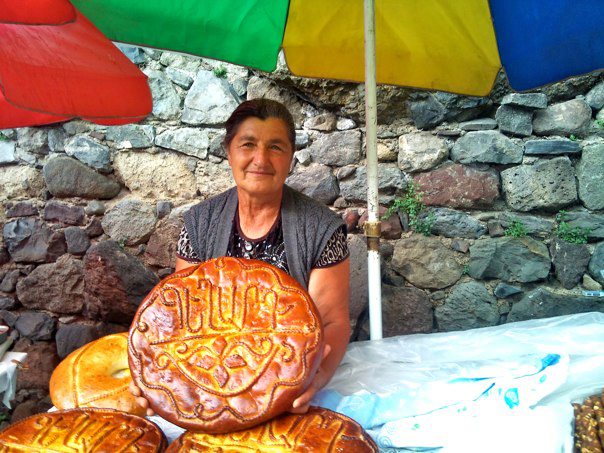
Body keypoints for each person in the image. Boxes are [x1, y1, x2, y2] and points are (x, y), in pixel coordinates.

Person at [132, 98, 350, 416]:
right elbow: (179, 321)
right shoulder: (199, 224)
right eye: (248, 144)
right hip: (212, 378)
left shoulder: (321, 230)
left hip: (287, 382)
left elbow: (332, 322)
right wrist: (158, 381)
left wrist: (316, 377)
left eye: (276, 147)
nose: (260, 159)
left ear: (290, 157)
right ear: (229, 151)